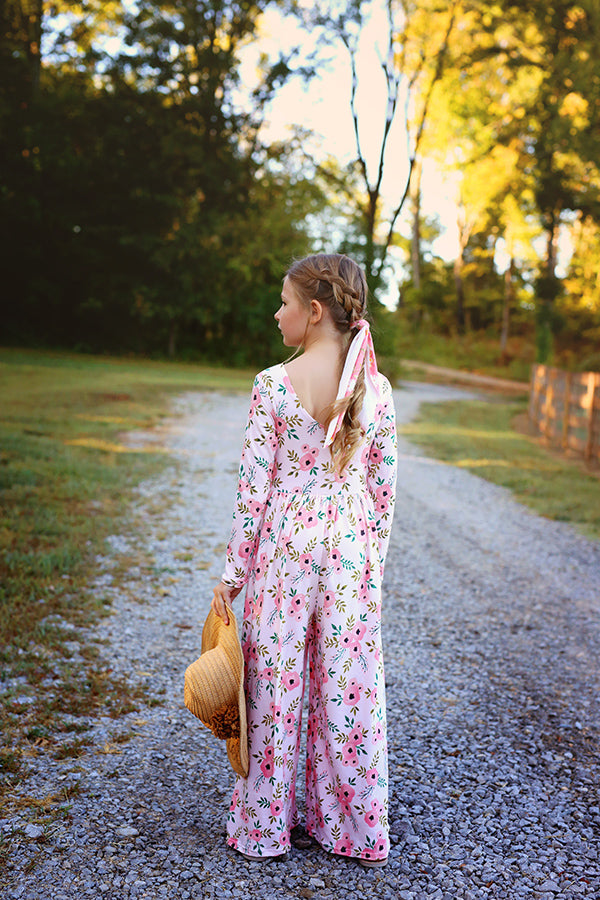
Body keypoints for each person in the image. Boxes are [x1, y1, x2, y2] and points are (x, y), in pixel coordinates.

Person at [211, 253, 397, 866]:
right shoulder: (377, 387)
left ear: (314, 312)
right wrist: (372, 561)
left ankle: (265, 826)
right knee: (348, 688)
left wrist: (233, 576)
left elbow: (253, 495)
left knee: (276, 680)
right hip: (349, 552)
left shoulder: (273, 384)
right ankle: (353, 829)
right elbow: (382, 489)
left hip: (286, 550)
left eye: (285, 302)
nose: (277, 312)